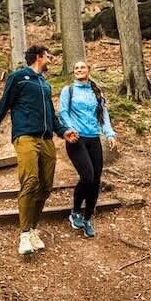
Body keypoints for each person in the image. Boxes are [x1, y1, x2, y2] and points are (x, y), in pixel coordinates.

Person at [0, 45, 79, 256]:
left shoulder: (44, 84)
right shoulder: (18, 77)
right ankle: (24, 234)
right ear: (38, 57)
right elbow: (3, 105)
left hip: (46, 140)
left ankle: (34, 229)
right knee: (30, 181)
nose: (51, 59)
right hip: (25, 136)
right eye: (48, 56)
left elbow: (52, 116)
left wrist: (63, 132)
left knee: (46, 186)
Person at [59, 61, 116, 239]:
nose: (79, 70)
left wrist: (109, 134)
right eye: (76, 68)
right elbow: (63, 112)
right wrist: (69, 129)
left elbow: (103, 114)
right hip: (76, 139)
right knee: (87, 176)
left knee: (96, 180)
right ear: (73, 72)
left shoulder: (96, 91)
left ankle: (88, 217)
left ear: (89, 70)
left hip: (94, 138)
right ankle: (75, 211)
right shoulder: (68, 90)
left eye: (82, 67)